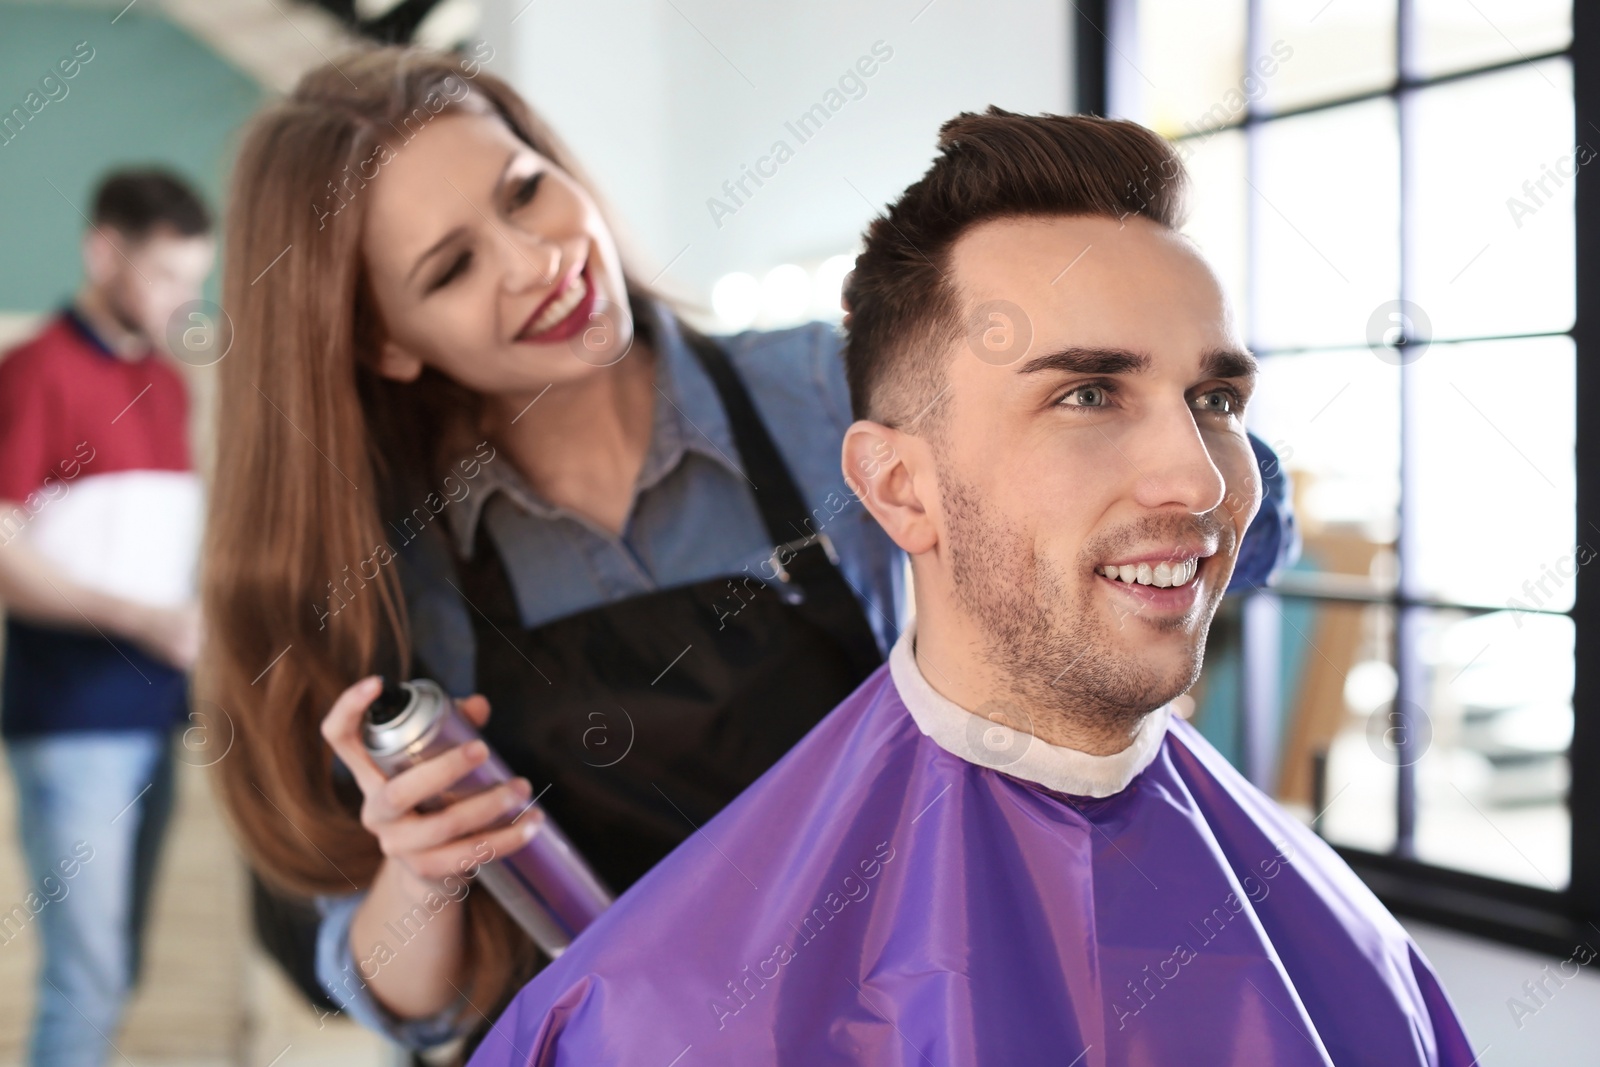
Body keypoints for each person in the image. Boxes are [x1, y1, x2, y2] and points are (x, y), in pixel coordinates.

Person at [462, 110, 1472, 1067]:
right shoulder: (648, 1014)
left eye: (1213, 399)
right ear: (897, 487)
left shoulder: (1354, 955)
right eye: (1085, 394)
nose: (1203, 479)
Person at [0, 169, 212, 1067]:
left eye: (192, 281)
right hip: (73, 723)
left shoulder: (165, 384)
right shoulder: (34, 371)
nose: (180, 300)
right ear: (103, 252)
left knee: (114, 979)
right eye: (164, 276)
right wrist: (141, 618)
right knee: (84, 986)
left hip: (153, 716)